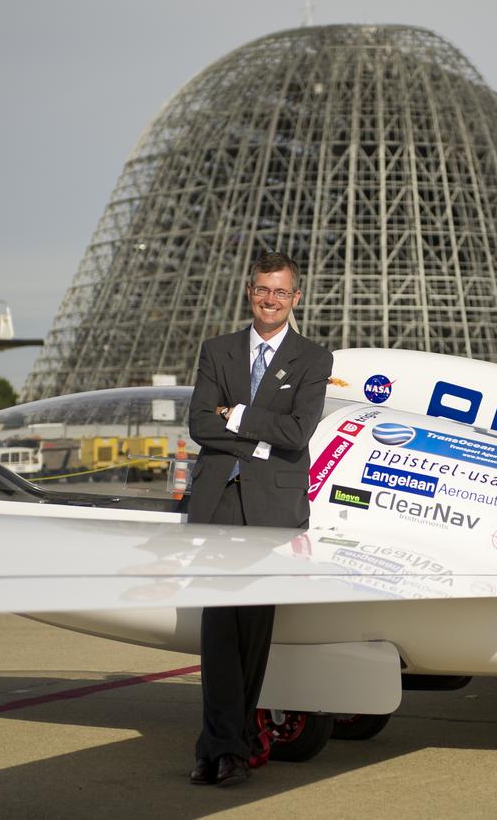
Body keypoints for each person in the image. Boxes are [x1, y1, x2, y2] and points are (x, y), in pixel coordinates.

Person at [185, 252, 332, 788]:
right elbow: (200, 423)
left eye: (280, 292)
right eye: (261, 290)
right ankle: (219, 748)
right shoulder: (217, 351)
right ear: (250, 292)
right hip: (220, 504)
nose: (269, 300)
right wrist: (259, 434)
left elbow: (297, 434)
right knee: (219, 629)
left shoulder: (313, 358)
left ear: (296, 299)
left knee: (254, 631)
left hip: (271, 509)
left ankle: (235, 742)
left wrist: (238, 415)